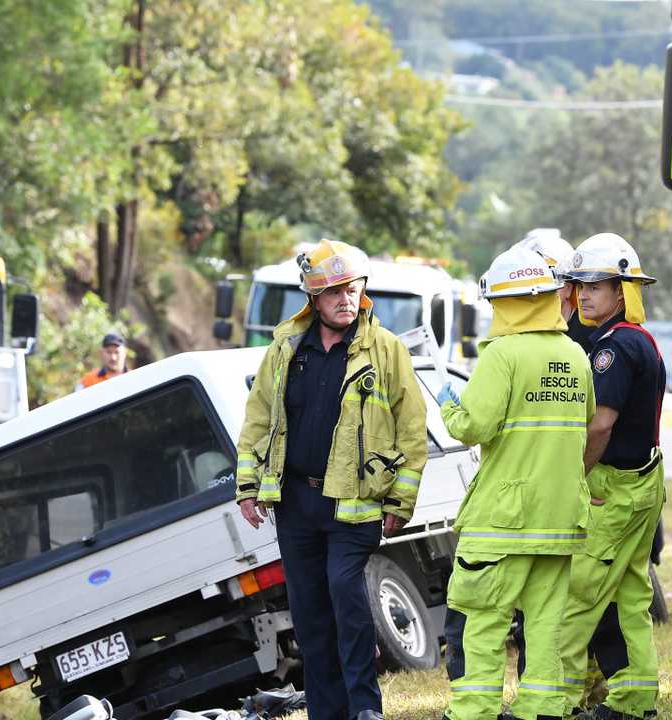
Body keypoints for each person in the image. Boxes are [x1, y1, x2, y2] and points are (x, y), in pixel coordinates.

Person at [234, 239, 427, 720]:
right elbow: (258, 419)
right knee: (310, 612)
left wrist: (400, 500)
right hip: (296, 503)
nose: (345, 299)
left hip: (355, 505)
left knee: (345, 593)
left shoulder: (385, 349)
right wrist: (248, 487)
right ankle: (326, 711)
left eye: (352, 289)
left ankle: (365, 707)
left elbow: (412, 427)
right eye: (334, 291)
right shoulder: (285, 349)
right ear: (313, 299)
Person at [435, 246, 594, 720]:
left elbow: (472, 427)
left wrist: (447, 404)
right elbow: (584, 423)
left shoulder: (502, 354)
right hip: (560, 517)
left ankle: (472, 712)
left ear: (507, 303)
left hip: (503, 521)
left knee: (481, 621)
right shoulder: (575, 354)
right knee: (546, 625)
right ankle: (541, 709)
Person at [558, 233, 667, 720]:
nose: (584, 295)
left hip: (613, 491)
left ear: (623, 291)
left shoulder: (615, 348)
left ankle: (551, 702)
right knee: (630, 597)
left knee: (577, 598)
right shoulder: (635, 339)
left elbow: (600, 424)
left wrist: (572, 479)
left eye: (596, 286)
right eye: (580, 284)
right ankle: (634, 700)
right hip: (642, 483)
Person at [515, 229, 593, 351]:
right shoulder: (522, 333)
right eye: (527, 283)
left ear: (568, 288)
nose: (534, 291)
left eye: (545, 283)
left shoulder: (591, 336)